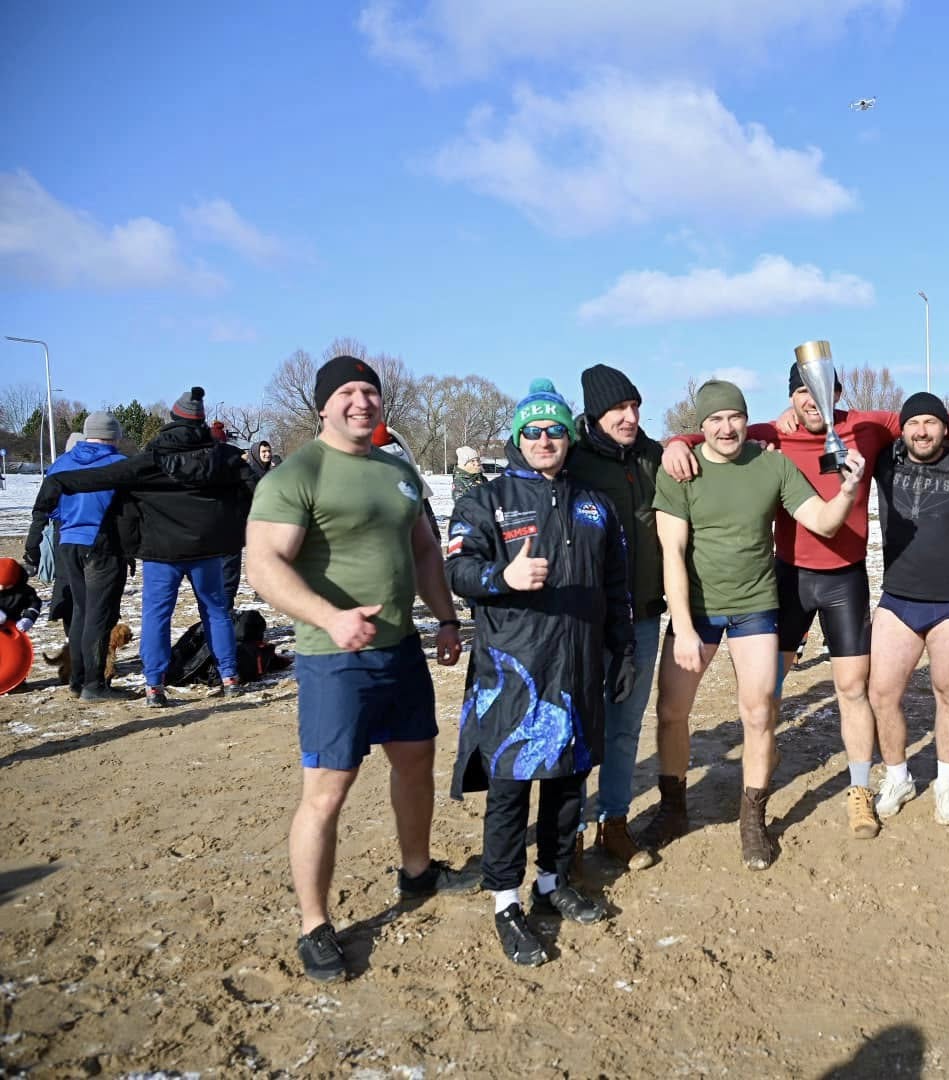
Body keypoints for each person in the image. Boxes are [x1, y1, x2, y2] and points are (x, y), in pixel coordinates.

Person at [663, 363, 949, 839]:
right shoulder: (772, 433)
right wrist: (675, 443)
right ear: (792, 397)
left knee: (853, 688)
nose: (812, 401)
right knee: (767, 689)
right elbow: (713, 432)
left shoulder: (868, 426)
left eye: (820, 391)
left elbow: (945, 422)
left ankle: (859, 789)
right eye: (802, 393)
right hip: (788, 577)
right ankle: (765, 754)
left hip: (845, 578)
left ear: (837, 392)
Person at [245, 355, 471, 983]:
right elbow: (263, 565)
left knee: (416, 760)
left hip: (399, 648)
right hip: (332, 658)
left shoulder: (397, 471)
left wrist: (446, 619)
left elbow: (423, 550)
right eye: (346, 391)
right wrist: (331, 617)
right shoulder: (298, 474)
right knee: (327, 790)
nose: (360, 401)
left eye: (369, 390)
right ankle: (314, 923)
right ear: (323, 405)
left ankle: (418, 871)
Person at [445, 379, 636, 965]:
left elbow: (617, 585)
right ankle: (506, 901)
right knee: (509, 790)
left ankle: (552, 883)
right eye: (533, 430)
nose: (545, 439)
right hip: (513, 672)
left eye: (556, 429)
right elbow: (458, 571)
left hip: (577, 667)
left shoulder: (594, 505)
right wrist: (501, 578)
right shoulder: (487, 499)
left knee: (568, 783)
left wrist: (623, 649)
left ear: (569, 436)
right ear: (518, 436)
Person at [645, 380, 866, 869]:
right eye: (715, 420)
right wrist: (684, 627)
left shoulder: (773, 465)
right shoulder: (682, 470)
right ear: (701, 426)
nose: (726, 428)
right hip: (698, 610)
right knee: (671, 711)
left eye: (735, 417)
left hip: (756, 608)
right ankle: (673, 808)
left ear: (747, 419)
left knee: (760, 713)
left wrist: (849, 489)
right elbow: (672, 554)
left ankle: (753, 819)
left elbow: (823, 522)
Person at [26, 387, 254, 706]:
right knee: (216, 612)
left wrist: (58, 483)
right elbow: (256, 486)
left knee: (156, 616)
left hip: (160, 552)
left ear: (173, 419)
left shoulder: (149, 460)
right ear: (201, 422)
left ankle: (154, 686)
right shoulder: (222, 457)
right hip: (207, 551)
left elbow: (101, 477)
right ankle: (229, 677)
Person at [863, 392, 949, 827]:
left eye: (931, 422)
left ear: (946, 428)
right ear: (902, 428)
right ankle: (898, 777)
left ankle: (947, 783)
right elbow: (856, 423)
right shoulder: (884, 460)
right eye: (913, 423)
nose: (922, 431)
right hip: (898, 598)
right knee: (881, 693)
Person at [567, 364, 664, 869]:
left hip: (642, 616)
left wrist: (684, 441)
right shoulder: (573, 460)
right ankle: (570, 832)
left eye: (634, 407)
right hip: (586, 621)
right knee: (579, 728)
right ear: (594, 415)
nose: (630, 417)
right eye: (618, 409)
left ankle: (615, 823)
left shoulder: (652, 456)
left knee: (625, 727)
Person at [32, 412, 129, 701]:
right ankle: (94, 685)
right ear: (114, 436)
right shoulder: (119, 465)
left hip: (68, 543)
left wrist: (35, 540)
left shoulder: (62, 464)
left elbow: (46, 506)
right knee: (99, 617)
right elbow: (130, 511)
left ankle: (77, 681)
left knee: (80, 613)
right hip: (102, 545)